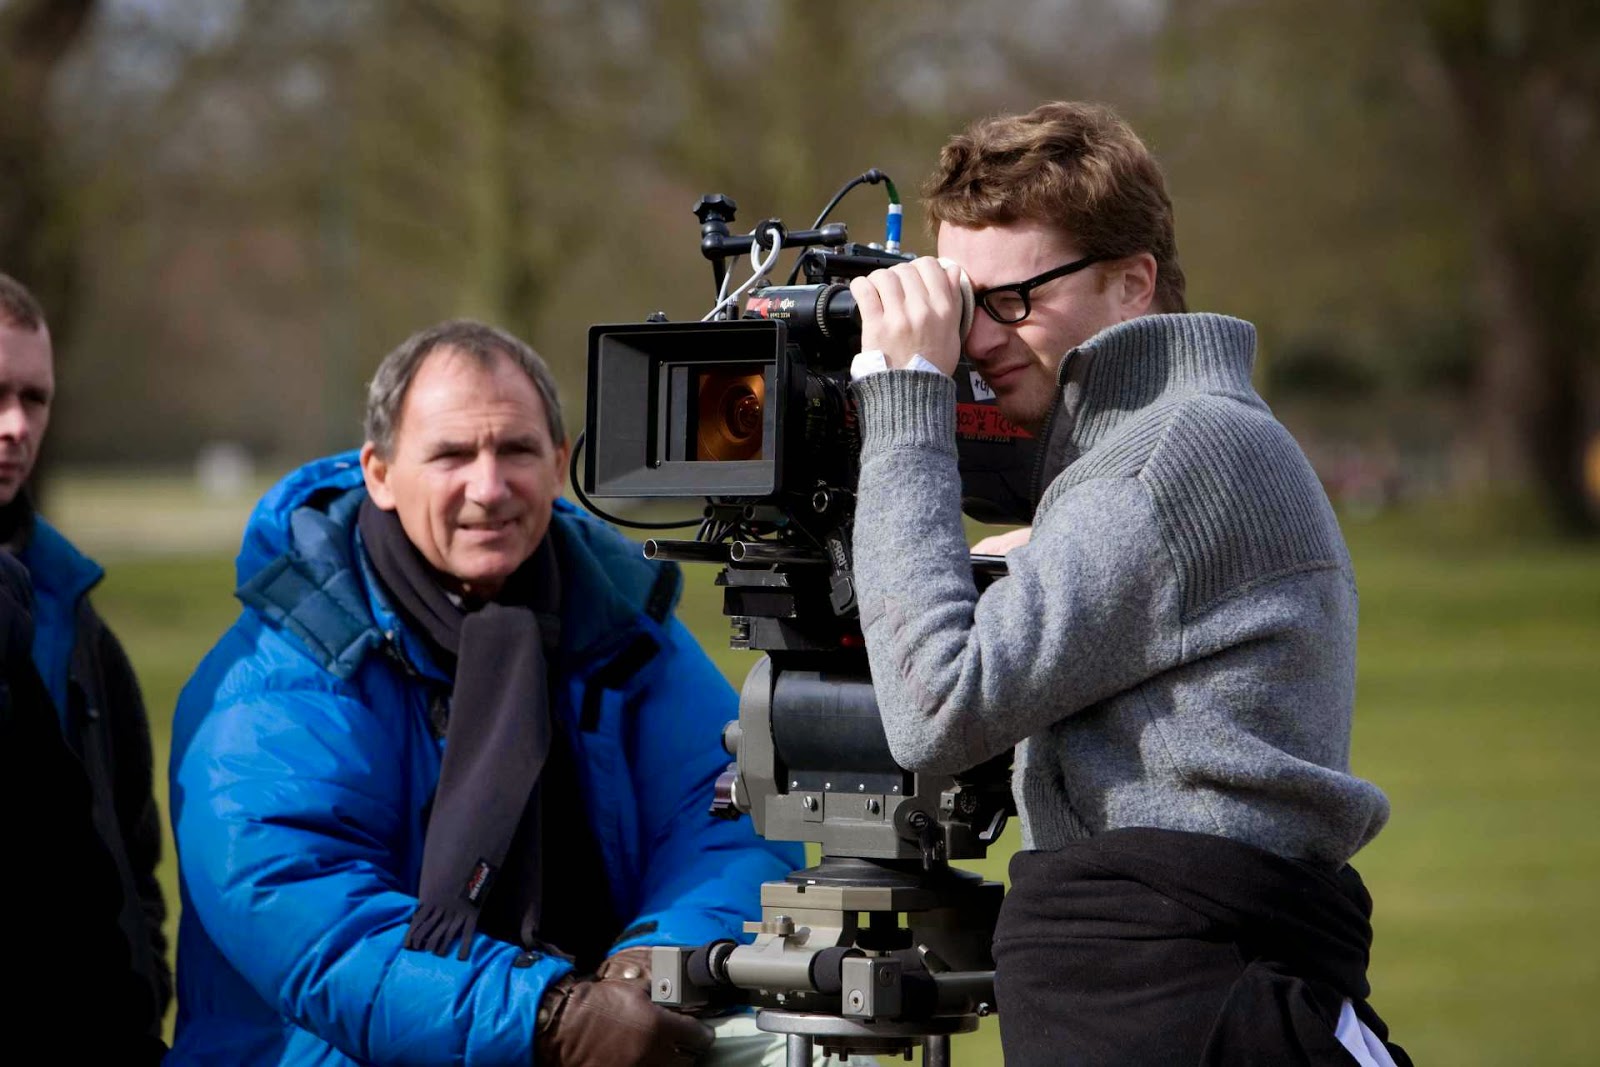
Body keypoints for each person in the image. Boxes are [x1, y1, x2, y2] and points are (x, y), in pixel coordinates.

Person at [845, 102, 1409, 1065]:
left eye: (1013, 299)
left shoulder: (1166, 457)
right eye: (963, 304)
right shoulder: (1174, 448)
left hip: (1190, 995)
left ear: (1133, 282)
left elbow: (936, 708)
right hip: (1183, 990)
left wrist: (903, 402)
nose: (976, 341)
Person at [168, 319, 802, 1065]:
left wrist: (656, 963)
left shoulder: (621, 623)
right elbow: (305, 914)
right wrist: (549, 1015)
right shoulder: (277, 676)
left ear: (560, 463)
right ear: (379, 472)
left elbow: (730, 812)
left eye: (517, 450)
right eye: (452, 455)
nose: (489, 488)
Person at [0, 272, 171, 1044]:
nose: (16, 425)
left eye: (34, 398)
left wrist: (142, 991)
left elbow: (130, 843)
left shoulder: (72, 607)